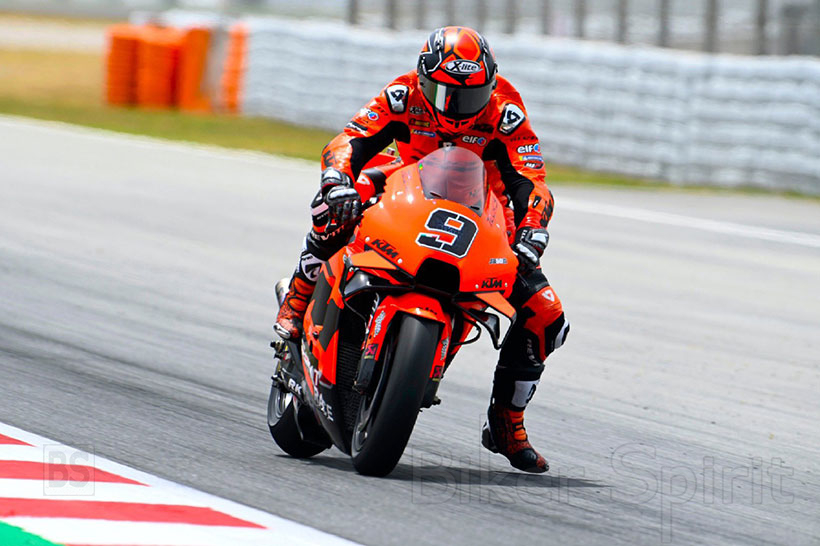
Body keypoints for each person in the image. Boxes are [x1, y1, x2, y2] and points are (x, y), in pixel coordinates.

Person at [275, 26, 569, 473]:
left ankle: (506, 421)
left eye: (470, 97)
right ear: (424, 79)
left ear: (490, 85)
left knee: (547, 315)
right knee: (331, 205)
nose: (456, 109)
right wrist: (337, 180)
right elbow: (349, 140)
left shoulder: (505, 112)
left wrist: (533, 229)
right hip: (404, 191)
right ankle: (297, 302)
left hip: (482, 217)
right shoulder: (403, 95)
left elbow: (531, 182)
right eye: (445, 94)